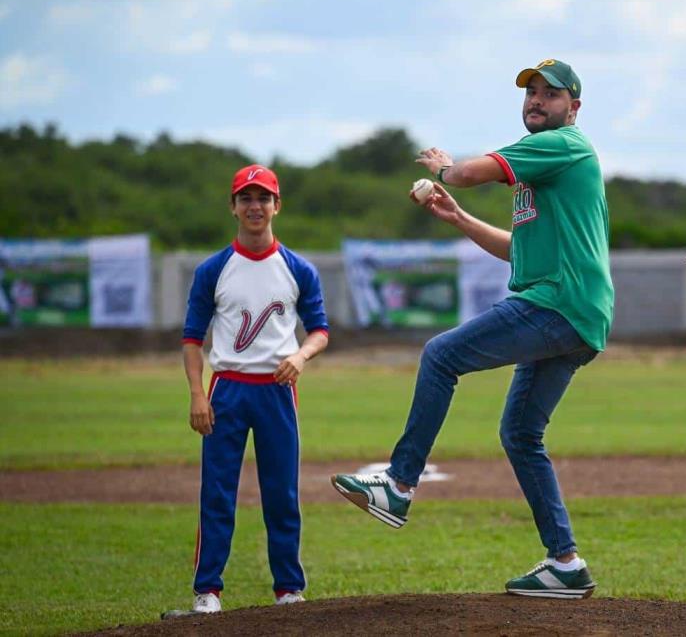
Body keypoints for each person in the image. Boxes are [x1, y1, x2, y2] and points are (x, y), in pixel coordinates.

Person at [331, 59, 614, 599]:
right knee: (521, 435)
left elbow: (469, 171)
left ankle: (397, 485)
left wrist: (444, 168)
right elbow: (518, 249)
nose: (536, 99)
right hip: (576, 312)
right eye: (531, 91)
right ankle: (565, 563)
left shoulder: (563, 145)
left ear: (573, 107)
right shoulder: (549, 166)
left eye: (550, 94)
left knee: (440, 355)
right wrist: (459, 218)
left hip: (556, 305)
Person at [182, 164, 329, 614]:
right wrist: (197, 393)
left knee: (281, 493)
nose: (255, 206)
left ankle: (288, 589)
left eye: (263, 198)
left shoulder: (298, 269)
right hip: (226, 389)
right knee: (218, 493)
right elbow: (192, 338)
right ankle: (208, 591)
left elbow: (320, 330)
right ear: (233, 207)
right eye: (246, 198)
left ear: (276, 206)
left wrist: (300, 357)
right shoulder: (214, 269)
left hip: (277, 391)